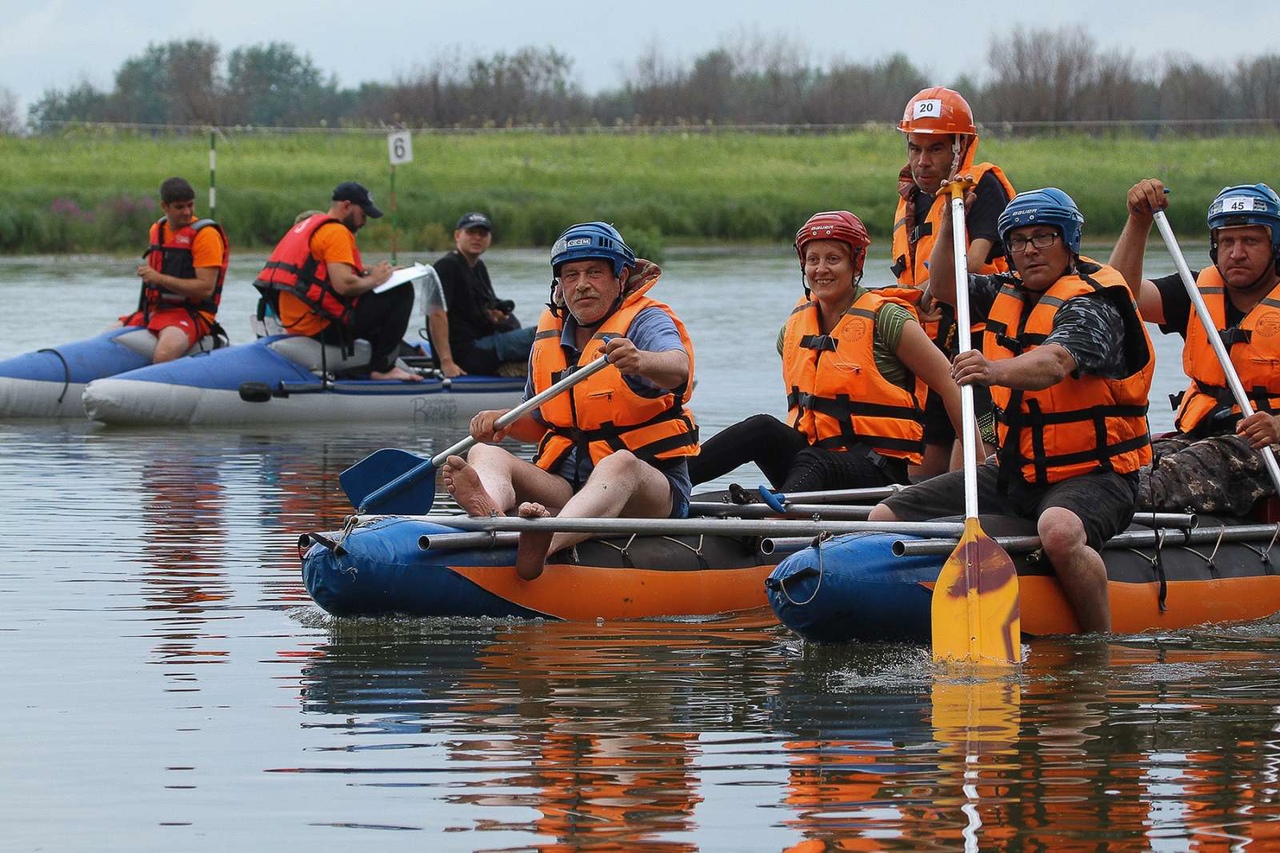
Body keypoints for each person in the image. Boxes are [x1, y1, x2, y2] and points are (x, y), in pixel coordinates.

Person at [869, 186, 1156, 633]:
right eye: (1019, 241)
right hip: (1017, 473)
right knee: (884, 516)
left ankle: (1096, 644)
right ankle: (891, 612)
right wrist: (949, 216)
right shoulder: (1004, 290)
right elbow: (943, 283)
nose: (1030, 250)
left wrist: (992, 371)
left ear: (1069, 241)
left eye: (1044, 237)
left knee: (1059, 530)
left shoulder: (1095, 304)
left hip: (1096, 476)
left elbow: (1055, 362)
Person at [441, 222, 698, 580]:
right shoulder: (549, 333)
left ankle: (543, 544)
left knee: (619, 463)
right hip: (566, 486)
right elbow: (541, 424)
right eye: (571, 275)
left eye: (594, 272)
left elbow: (678, 367)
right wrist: (506, 421)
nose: (581, 284)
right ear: (559, 284)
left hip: (648, 489)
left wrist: (640, 359)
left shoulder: (645, 319)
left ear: (621, 277)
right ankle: (492, 514)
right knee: (485, 452)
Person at [688, 210, 966, 495]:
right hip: (812, 464)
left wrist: (975, 464)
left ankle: (779, 518)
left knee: (814, 461)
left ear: (856, 264)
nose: (821, 269)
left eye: (833, 259)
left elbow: (949, 383)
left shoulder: (889, 319)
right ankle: (671, 485)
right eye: (813, 260)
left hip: (876, 470)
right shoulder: (792, 331)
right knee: (761, 428)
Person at [1110, 180, 1280, 516]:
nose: (1237, 252)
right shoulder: (1195, 291)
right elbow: (1119, 295)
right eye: (1227, 241)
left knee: (1147, 486)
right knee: (1115, 464)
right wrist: (1138, 221)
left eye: (1251, 241)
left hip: (1265, 445)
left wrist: (1277, 424)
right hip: (1199, 436)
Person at [886, 87, 1016, 477]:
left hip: (980, 343)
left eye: (935, 150)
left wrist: (926, 292)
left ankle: (983, 522)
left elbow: (973, 263)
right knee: (920, 473)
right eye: (915, 149)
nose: (922, 162)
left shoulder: (981, 186)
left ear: (961, 146)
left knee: (972, 464)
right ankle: (918, 529)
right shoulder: (915, 198)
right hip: (933, 348)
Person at [254, 181, 420, 381]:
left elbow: (326, 270)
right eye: (363, 214)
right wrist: (376, 279)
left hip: (297, 321)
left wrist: (377, 272)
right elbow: (344, 285)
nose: (364, 222)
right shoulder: (337, 232)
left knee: (380, 292)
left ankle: (375, 358)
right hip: (320, 325)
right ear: (347, 206)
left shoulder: (310, 226)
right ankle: (383, 368)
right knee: (401, 290)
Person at [117, 177, 228, 363]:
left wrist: (159, 278)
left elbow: (206, 289)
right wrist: (150, 277)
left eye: (190, 205)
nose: (187, 212)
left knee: (163, 355)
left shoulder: (206, 235)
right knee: (108, 335)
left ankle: (153, 389)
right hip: (155, 311)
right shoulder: (157, 230)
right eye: (179, 207)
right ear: (164, 206)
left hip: (193, 314)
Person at [428, 212, 535, 377]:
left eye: (482, 234)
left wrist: (495, 316)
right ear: (457, 235)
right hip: (467, 352)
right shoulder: (446, 267)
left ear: (489, 238)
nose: (477, 238)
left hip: (486, 342)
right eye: (471, 232)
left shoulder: (478, 267)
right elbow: (435, 314)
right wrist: (446, 362)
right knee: (541, 334)